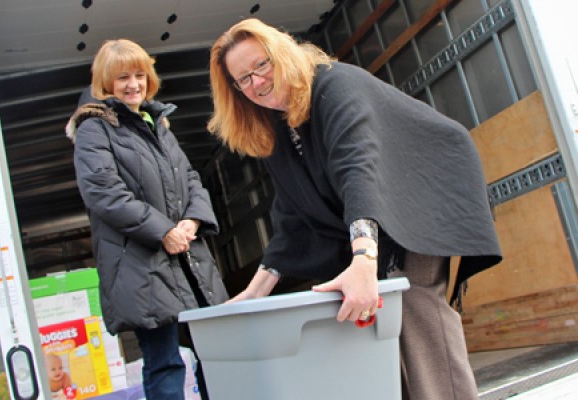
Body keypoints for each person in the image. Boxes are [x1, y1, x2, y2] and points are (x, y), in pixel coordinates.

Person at [207, 18, 502, 400]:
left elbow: (357, 166)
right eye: (242, 79)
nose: (256, 83)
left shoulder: (333, 83)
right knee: (376, 324)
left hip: (422, 188)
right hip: (378, 208)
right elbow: (292, 212)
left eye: (261, 65)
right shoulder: (276, 126)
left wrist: (363, 258)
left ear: (282, 54)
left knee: (413, 305)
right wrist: (255, 292)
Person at [66, 39, 228, 400]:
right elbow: (104, 193)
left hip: (187, 258)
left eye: (140, 75)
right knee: (165, 362)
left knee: (217, 355)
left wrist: (193, 222)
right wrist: (163, 231)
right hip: (140, 266)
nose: (134, 84)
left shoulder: (158, 124)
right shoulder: (94, 128)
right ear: (105, 82)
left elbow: (190, 179)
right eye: (123, 77)